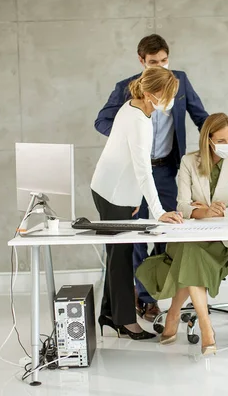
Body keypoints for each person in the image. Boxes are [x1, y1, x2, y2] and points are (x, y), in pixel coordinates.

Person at [94, 34, 209, 322]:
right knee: (131, 242)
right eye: (153, 62)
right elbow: (140, 166)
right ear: (142, 62)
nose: (161, 66)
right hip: (130, 177)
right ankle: (138, 303)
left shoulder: (175, 83)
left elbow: (200, 116)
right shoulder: (134, 110)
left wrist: (218, 138)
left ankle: (158, 294)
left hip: (164, 169)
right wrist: (128, 143)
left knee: (164, 233)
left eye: (164, 60)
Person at [136, 113, 228, 355]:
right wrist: (204, 211)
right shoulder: (190, 162)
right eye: (221, 140)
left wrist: (209, 210)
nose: (227, 144)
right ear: (208, 140)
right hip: (190, 235)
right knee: (190, 249)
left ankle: (175, 315)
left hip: (222, 240)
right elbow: (182, 206)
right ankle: (206, 325)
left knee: (191, 255)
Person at [91, 67, 184, 341]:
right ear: (148, 92)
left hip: (112, 189)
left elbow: (127, 161)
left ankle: (109, 314)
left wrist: (131, 199)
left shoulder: (132, 108)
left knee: (117, 254)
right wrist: (159, 213)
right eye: (164, 96)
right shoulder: (140, 122)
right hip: (112, 192)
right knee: (121, 256)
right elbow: (143, 170)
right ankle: (124, 322)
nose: (167, 102)